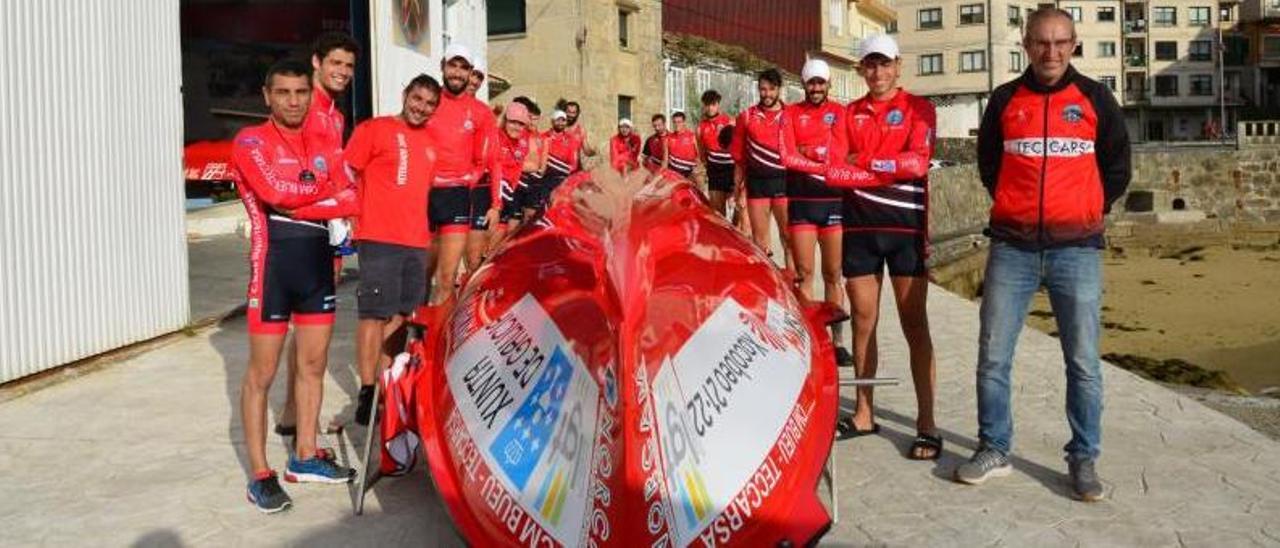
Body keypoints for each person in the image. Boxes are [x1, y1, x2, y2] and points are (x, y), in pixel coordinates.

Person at [954, 7, 1130, 502]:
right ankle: (993, 447)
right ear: (1026, 45)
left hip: (1078, 249)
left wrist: (1089, 207)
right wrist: (1012, 204)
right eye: (1041, 43)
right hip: (1012, 248)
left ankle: (1084, 457)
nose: (1050, 52)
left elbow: (1118, 165)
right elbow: (989, 162)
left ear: (1073, 44)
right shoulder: (1006, 99)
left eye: (1060, 43)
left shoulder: (1095, 98)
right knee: (993, 356)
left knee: (1083, 362)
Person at [231, 60, 360, 513]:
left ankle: (305, 456)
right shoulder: (251, 141)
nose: (292, 100)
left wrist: (318, 199)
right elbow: (275, 193)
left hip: (317, 269)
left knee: (312, 364)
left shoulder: (325, 139)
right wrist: (322, 200)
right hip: (273, 270)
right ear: (267, 96)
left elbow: (352, 195)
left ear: (311, 93)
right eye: (282, 92)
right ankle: (261, 474)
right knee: (261, 375)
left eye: (300, 92)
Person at [824, 35, 940, 456]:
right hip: (860, 232)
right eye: (869, 65)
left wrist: (865, 163)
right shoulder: (848, 114)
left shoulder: (918, 109)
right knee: (863, 322)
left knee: (915, 326)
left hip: (906, 229)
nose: (877, 72)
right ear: (861, 70)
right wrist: (883, 169)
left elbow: (916, 162)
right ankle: (864, 412)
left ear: (897, 66)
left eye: (884, 64)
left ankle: (927, 422)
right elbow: (833, 171)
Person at [343, 75, 440, 428]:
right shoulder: (374, 129)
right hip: (378, 236)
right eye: (417, 99)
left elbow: (421, 190)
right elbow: (346, 172)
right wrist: (348, 219)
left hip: (416, 241)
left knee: (403, 315)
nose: (421, 108)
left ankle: (389, 385)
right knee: (373, 314)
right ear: (405, 95)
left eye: (429, 104)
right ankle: (368, 391)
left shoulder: (432, 143)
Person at [275, 32, 358, 439]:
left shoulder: (336, 115)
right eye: (335, 63)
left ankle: (294, 413)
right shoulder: (303, 106)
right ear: (316, 62)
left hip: (325, 227)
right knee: (309, 330)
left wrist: (344, 219)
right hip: (298, 228)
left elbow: (334, 172)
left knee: (307, 326)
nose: (342, 72)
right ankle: (301, 419)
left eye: (348, 66)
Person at [779, 58, 853, 367]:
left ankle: (837, 342)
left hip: (834, 203)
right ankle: (809, 339)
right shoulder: (792, 113)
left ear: (829, 84)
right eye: (811, 83)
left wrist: (810, 155)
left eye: (821, 82)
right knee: (804, 274)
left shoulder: (840, 113)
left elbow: (840, 153)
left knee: (833, 275)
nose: (816, 88)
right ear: (803, 84)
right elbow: (788, 156)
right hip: (803, 204)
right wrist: (817, 159)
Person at [424, 44, 500, 305]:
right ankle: (413, 339)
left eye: (464, 67)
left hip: (456, 196)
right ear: (443, 66)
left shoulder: (481, 112)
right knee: (421, 276)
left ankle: (434, 343)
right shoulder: (427, 99)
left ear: (470, 73)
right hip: (423, 194)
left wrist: (491, 199)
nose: (457, 72)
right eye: (453, 65)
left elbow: (489, 159)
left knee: (447, 279)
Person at [731, 69, 792, 272]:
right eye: (762, 89)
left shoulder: (791, 115)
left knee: (788, 238)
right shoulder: (746, 117)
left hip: (785, 184)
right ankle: (769, 291)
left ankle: (796, 287)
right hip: (757, 186)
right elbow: (740, 160)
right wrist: (737, 190)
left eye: (771, 89)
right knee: (760, 242)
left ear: (779, 89)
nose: (766, 94)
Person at [698, 90, 735, 216]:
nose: (710, 108)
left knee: (739, 214)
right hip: (715, 170)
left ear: (718, 104)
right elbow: (702, 152)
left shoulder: (729, 121)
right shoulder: (701, 127)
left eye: (713, 104)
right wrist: (706, 168)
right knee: (718, 212)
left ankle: (737, 234)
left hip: (731, 169)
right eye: (707, 105)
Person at [539, 110, 584, 207]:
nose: (560, 123)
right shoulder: (543, 137)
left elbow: (573, 163)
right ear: (552, 121)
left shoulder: (570, 139)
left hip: (562, 179)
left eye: (563, 120)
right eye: (558, 120)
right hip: (544, 178)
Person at [665, 111, 700, 182]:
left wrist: (696, 173)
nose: (676, 124)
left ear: (684, 122)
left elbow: (700, 157)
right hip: (674, 174)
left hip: (689, 174)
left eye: (679, 122)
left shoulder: (692, 136)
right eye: (674, 122)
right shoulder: (668, 138)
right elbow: (665, 160)